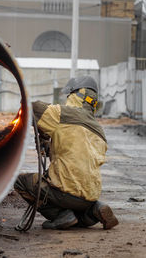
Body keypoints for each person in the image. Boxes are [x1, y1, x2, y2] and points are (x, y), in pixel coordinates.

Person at [14, 76, 119, 230]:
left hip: (64, 192)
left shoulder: (63, 114)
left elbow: (32, 108)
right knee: (78, 218)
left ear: (75, 94)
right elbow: (69, 152)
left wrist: (42, 128)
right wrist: (47, 141)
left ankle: (59, 216)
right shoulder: (99, 131)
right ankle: (93, 211)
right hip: (90, 195)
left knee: (20, 182)